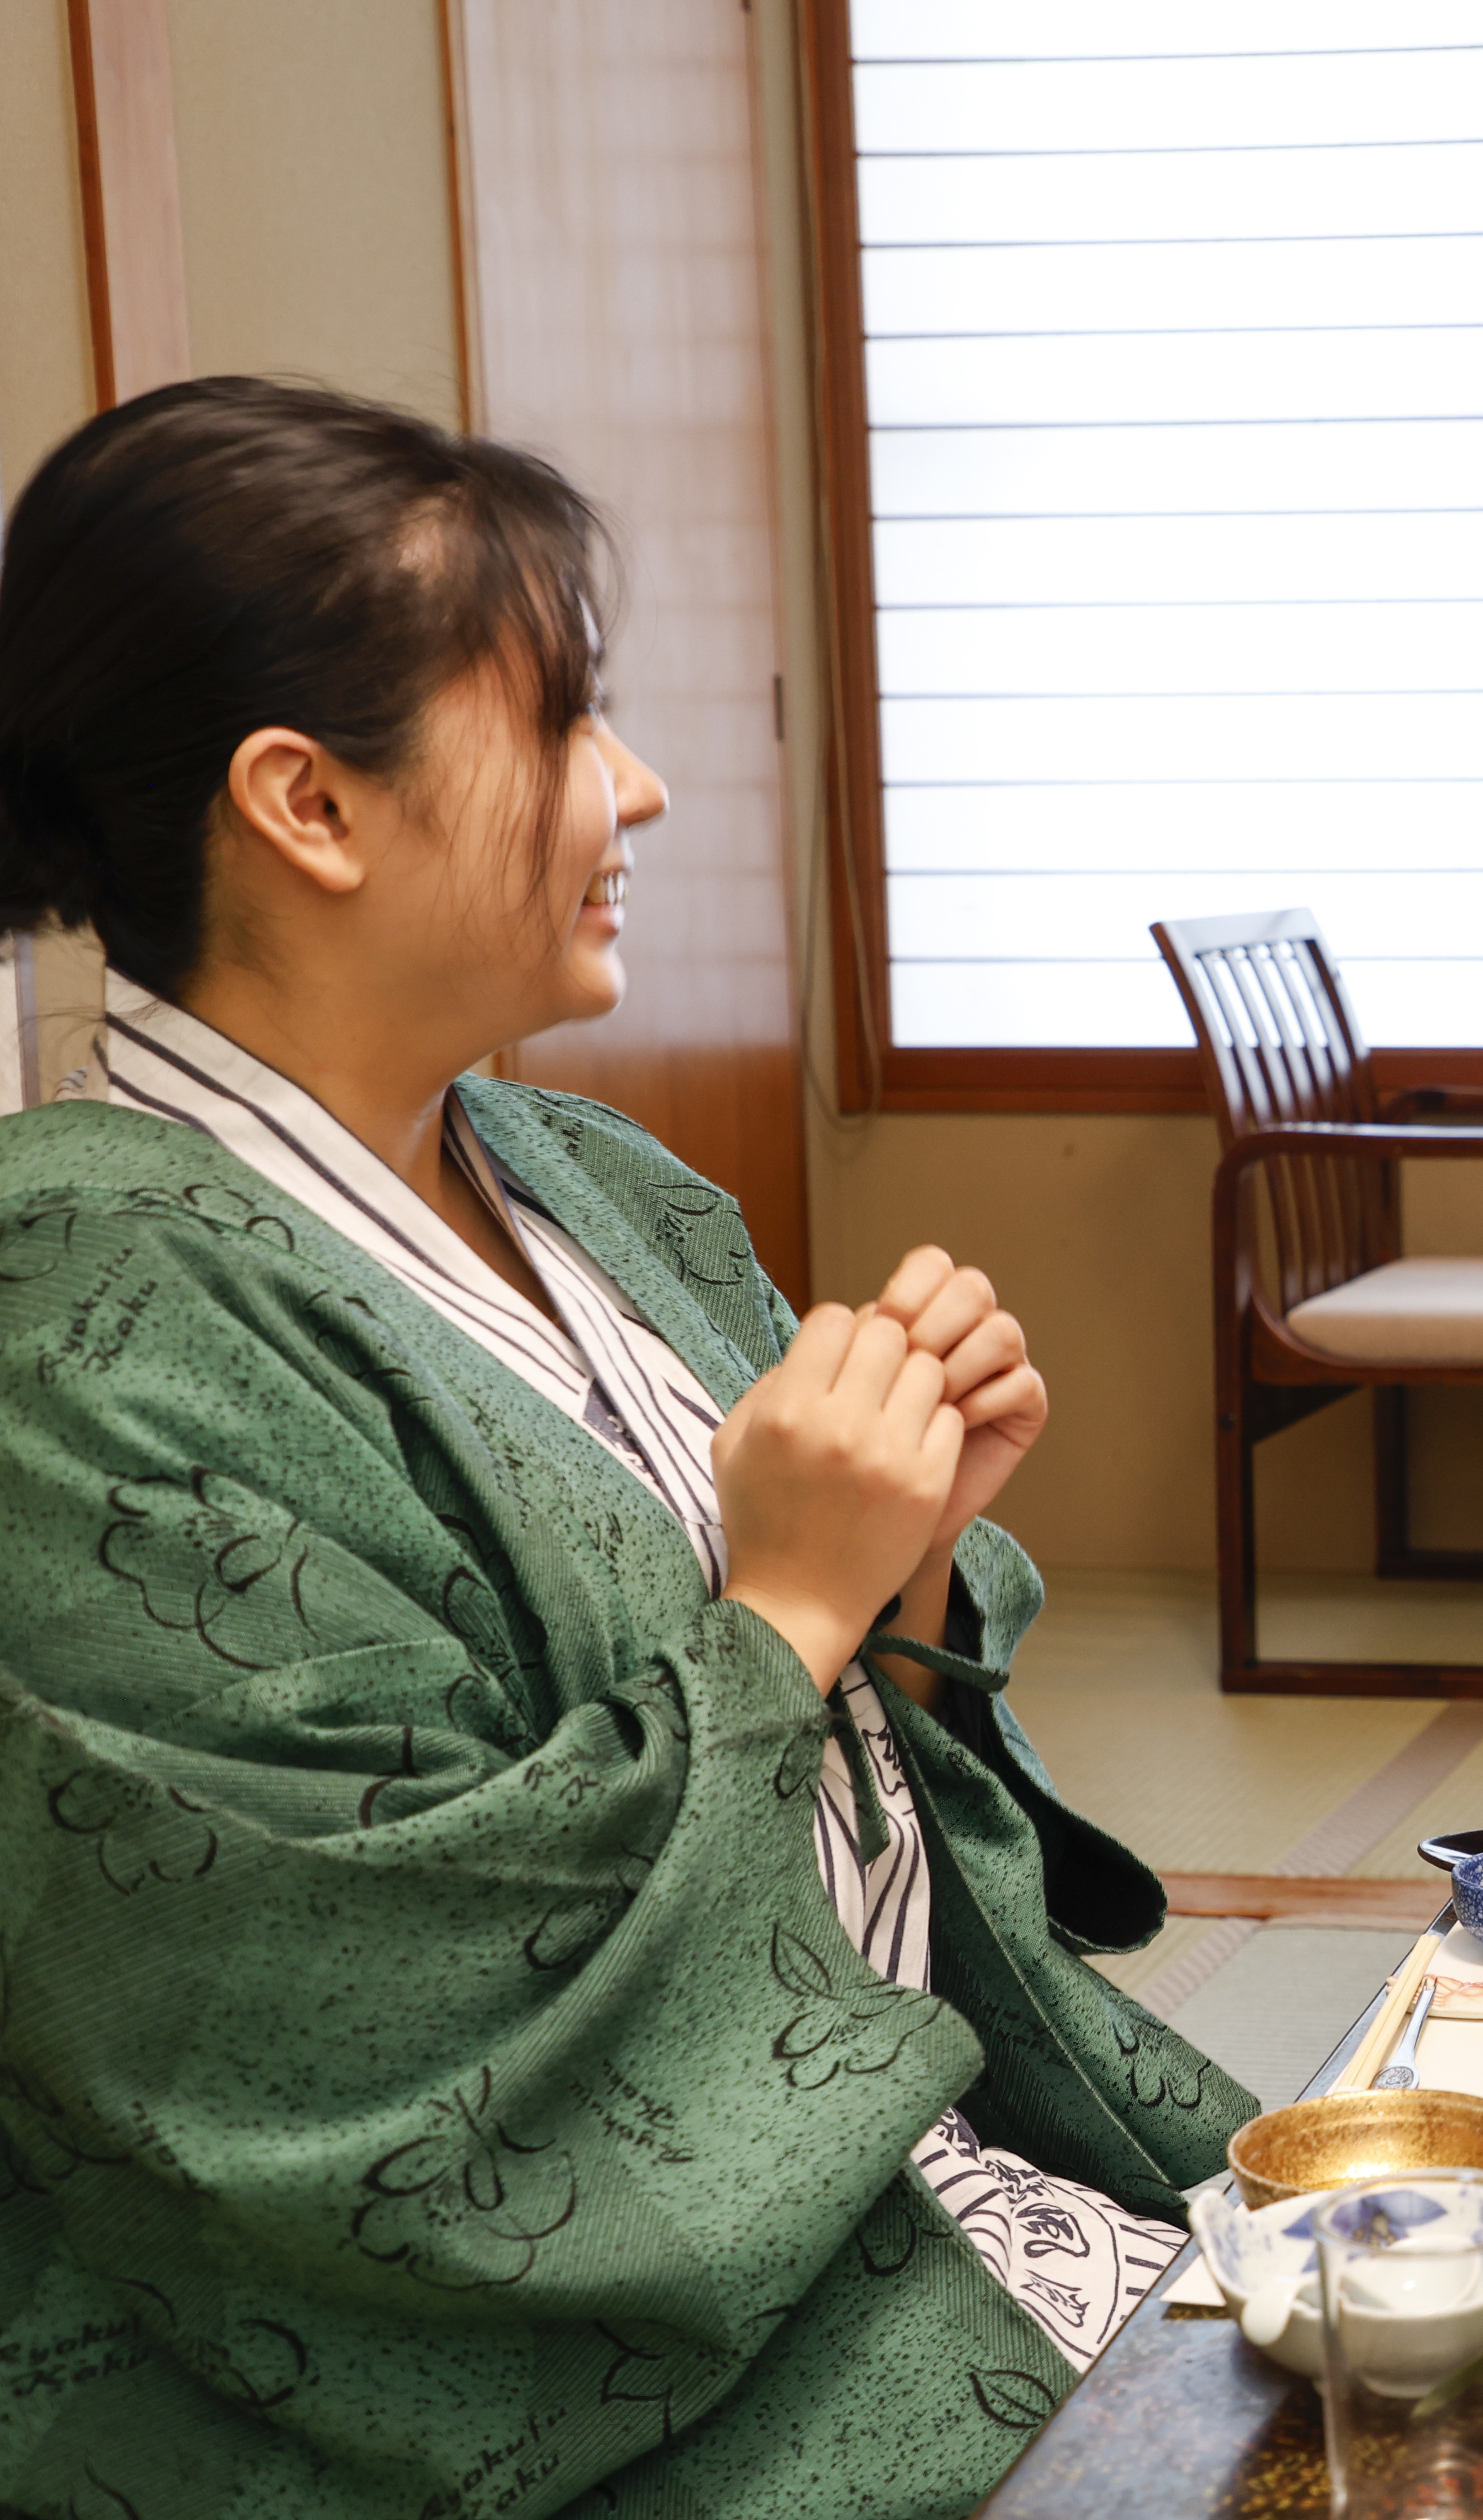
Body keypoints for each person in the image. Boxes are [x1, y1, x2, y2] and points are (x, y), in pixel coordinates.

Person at [0, 379, 1251, 2518]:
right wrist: (788, 1615)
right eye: (568, 720)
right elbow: (349, 2044)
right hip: (609, 2377)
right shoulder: (77, 1334)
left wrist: (908, 1553)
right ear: (309, 804)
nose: (642, 784)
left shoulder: (591, 1178)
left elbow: (857, 1711)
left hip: (910, 2178)